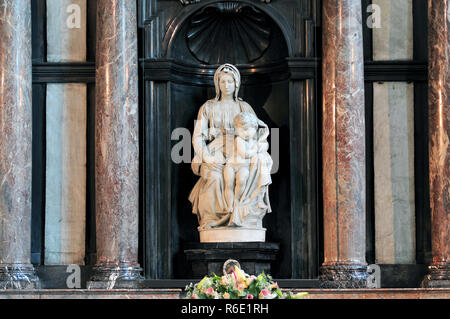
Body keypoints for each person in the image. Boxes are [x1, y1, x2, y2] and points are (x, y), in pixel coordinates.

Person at [189, 64, 272, 231]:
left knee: (253, 168)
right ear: (217, 84)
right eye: (222, 82)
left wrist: (257, 145)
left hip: (239, 152)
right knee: (214, 176)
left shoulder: (244, 107)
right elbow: (197, 136)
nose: (226, 85)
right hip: (215, 150)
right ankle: (213, 219)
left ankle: (241, 214)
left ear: (236, 84)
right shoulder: (208, 107)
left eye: (230, 82)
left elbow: (256, 131)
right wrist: (207, 157)